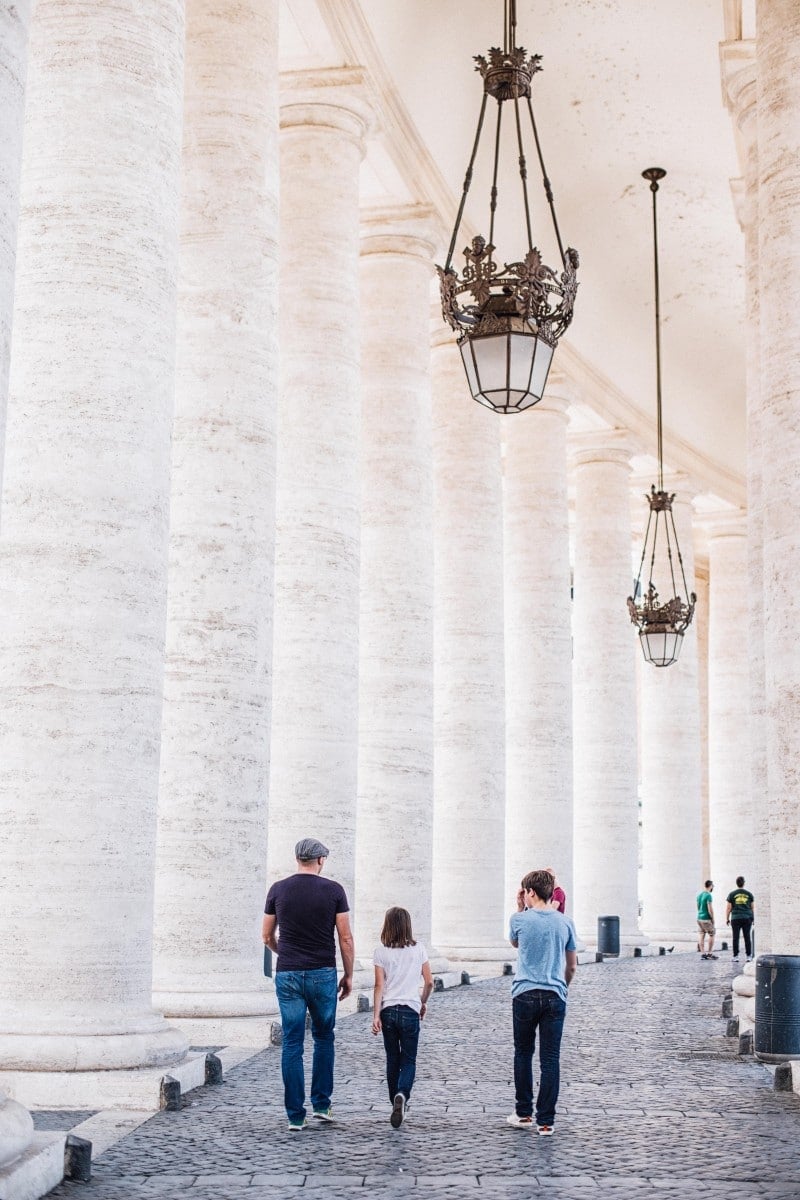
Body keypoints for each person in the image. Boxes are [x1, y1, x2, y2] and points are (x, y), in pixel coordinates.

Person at [262, 837, 355, 1131]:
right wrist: (349, 974)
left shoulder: (278, 889)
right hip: (322, 972)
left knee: (292, 1042)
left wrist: (284, 953)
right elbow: (346, 938)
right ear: (321, 860)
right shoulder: (334, 890)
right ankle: (322, 1104)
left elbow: (266, 936)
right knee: (324, 1038)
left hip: (288, 972)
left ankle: (294, 1115)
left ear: (297, 859)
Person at [506, 869, 577, 1136]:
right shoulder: (565, 922)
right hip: (554, 994)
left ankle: (523, 1113)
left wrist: (519, 908)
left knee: (523, 1053)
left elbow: (515, 943)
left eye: (525, 892)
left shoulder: (519, 920)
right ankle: (546, 1121)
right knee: (550, 1059)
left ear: (531, 892)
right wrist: (562, 989)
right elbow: (571, 967)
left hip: (524, 992)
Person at [371, 907, 434, 1128]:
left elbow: (379, 986)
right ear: (408, 925)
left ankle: (394, 1102)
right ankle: (402, 1095)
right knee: (408, 1060)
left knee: (392, 1059)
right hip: (410, 1010)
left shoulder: (381, 952)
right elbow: (429, 982)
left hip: (388, 1011)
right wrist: (422, 1002)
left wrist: (376, 1015)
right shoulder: (419, 950)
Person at [726, 876, 755, 963]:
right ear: (744, 883)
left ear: (736, 883)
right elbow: (753, 908)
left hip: (735, 918)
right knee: (747, 937)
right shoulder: (749, 894)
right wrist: (753, 918)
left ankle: (736, 956)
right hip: (747, 918)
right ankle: (748, 956)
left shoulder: (732, 894)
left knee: (735, 937)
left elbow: (728, 908)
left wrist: (727, 918)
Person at [696, 880, 717, 960]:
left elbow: (698, 907)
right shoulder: (708, 895)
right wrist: (713, 918)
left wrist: (700, 913)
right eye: (713, 886)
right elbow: (710, 909)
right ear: (710, 886)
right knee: (712, 934)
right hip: (706, 919)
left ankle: (703, 953)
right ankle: (710, 953)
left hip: (699, 918)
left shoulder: (699, 895)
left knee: (701, 935)